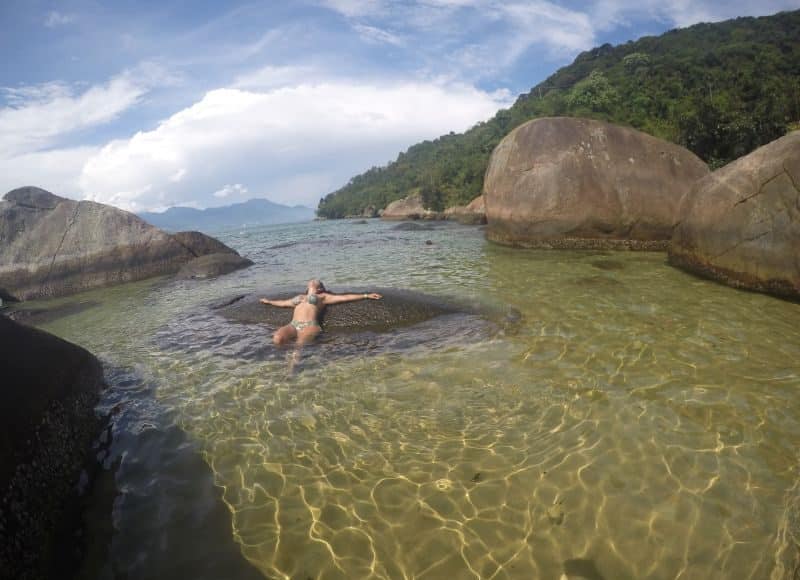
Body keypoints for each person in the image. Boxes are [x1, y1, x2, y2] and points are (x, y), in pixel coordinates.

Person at [260, 279, 382, 346]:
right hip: (293, 325)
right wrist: (269, 301)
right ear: (308, 287)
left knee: (298, 348)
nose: (313, 281)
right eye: (312, 281)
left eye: (316, 281)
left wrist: (366, 295)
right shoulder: (300, 297)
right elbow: (283, 303)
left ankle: (290, 372)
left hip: (309, 326)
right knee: (277, 338)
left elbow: (344, 297)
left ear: (320, 288)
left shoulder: (323, 297)